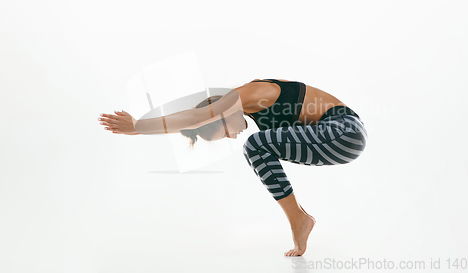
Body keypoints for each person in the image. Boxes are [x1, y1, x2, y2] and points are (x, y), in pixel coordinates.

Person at [98, 78, 368, 256]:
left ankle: (299, 220)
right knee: (257, 148)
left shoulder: (248, 93)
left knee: (255, 146)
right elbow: (195, 122)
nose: (230, 136)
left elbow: (193, 117)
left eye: (224, 131)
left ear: (221, 114)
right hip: (336, 142)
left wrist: (139, 127)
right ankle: (299, 219)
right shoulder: (253, 110)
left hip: (344, 131)